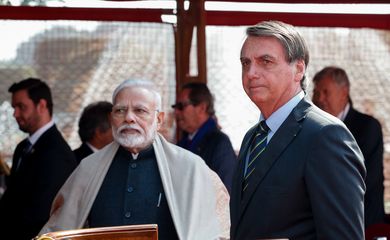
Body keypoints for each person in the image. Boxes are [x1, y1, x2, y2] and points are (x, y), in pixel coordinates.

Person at [39, 79, 230, 240]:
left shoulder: (190, 168)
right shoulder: (89, 168)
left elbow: (218, 226)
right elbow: (59, 230)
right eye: (120, 110)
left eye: (140, 110)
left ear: (159, 119)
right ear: (111, 117)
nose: (129, 118)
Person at [230, 20, 366, 239]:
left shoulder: (326, 135)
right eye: (245, 63)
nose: (251, 73)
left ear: (299, 69)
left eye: (265, 61)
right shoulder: (252, 137)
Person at [0, 78, 77, 240]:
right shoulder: (23, 147)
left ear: (41, 105)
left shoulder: (57, 153)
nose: (15, 114)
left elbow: (42, 213)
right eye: (14, 107)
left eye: (21, 107)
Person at [312, 66, 385, 228]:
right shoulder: (310, 129)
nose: (319, 99)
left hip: (363, 224)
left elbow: (363, 179)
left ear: (344, 93)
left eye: (326, 92)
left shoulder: (367, 127)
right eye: (316, 93)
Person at [172, 82, 237, 193]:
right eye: (175, 107)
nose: (176, 112)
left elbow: (225, 192)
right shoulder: (183, 142)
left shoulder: (220, 143)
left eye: (181, 106)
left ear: (202, 108)